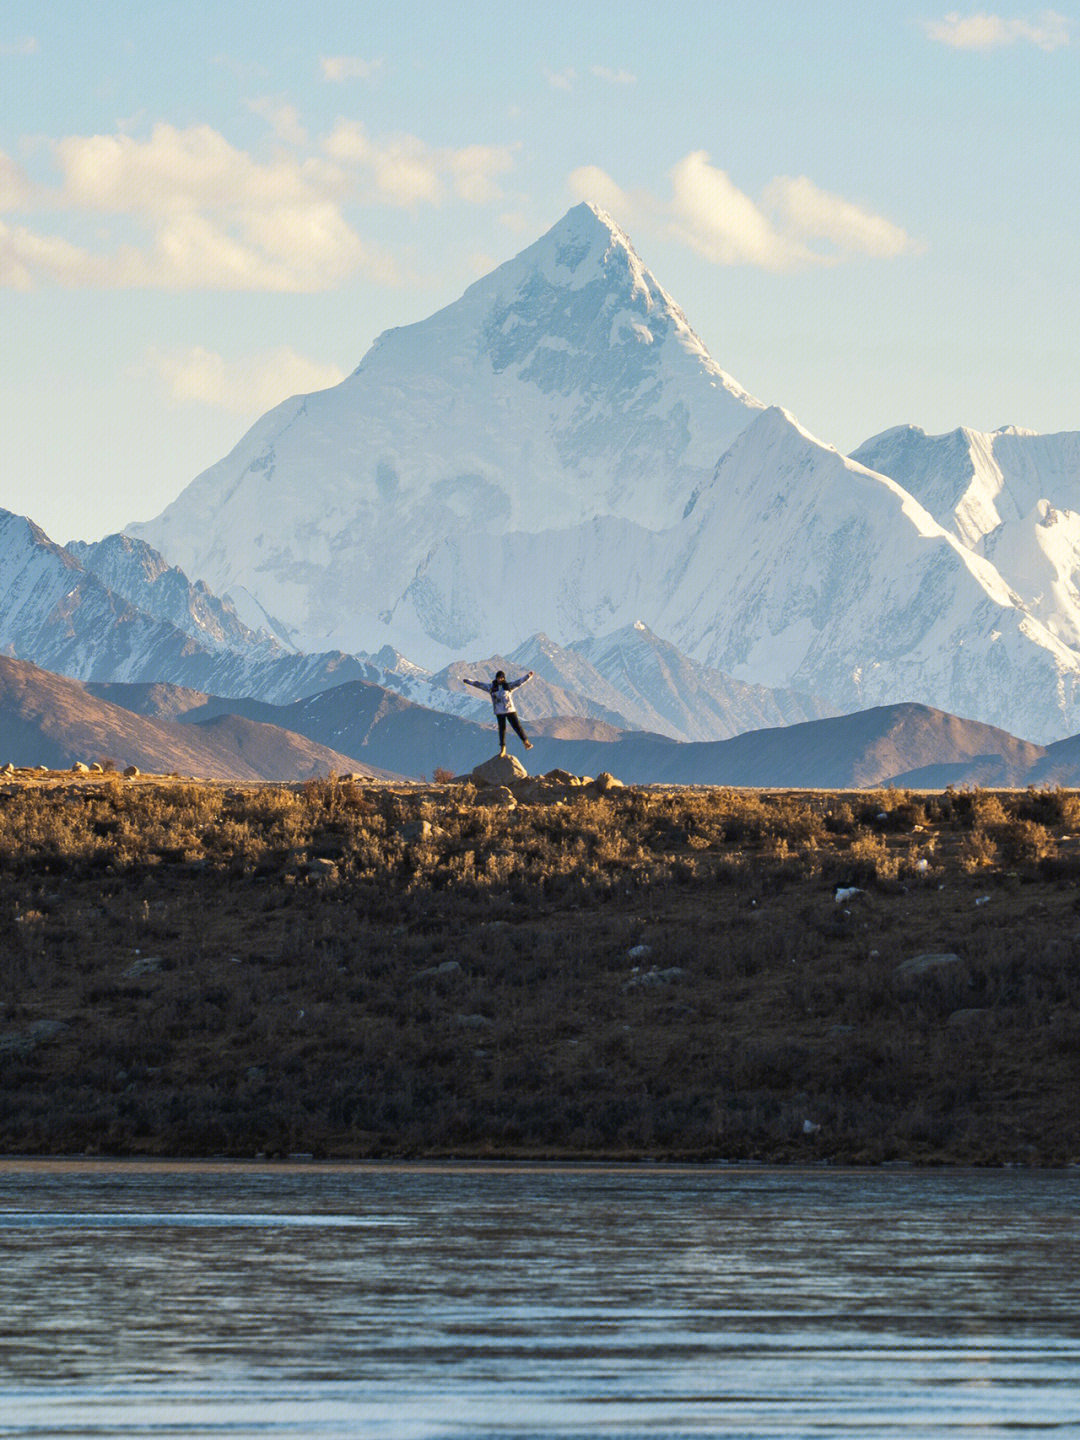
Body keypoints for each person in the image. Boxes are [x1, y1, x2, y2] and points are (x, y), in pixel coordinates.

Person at [462, 668, 535, 756]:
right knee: (502, 730)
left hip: (510, 710)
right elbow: (479, 684)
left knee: (517, 727)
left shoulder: (508, 686)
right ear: (496, 678)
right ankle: (503, 748)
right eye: (498, 678)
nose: (499, 679)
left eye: (501, 678)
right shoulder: (491, 687)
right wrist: (468, 681)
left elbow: (519, 682)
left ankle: (526, 742)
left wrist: (528, 676)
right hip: (499, 712)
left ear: (503, 678)